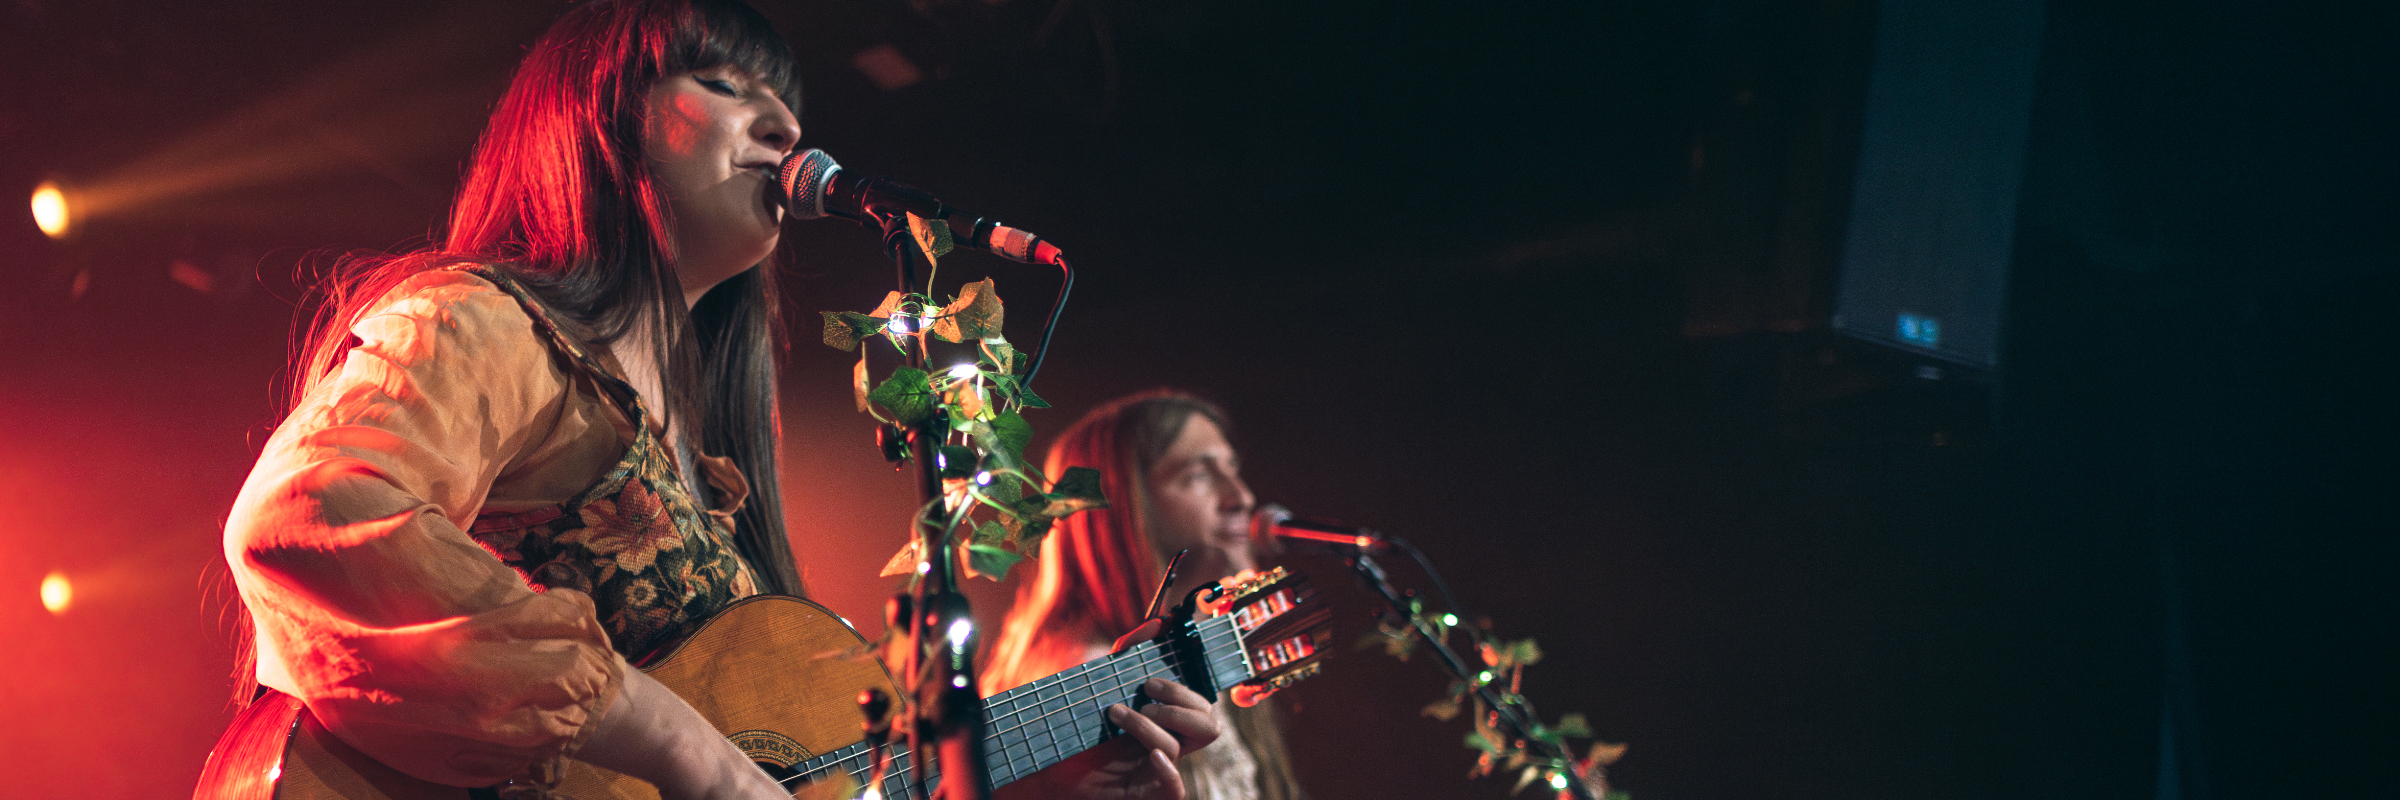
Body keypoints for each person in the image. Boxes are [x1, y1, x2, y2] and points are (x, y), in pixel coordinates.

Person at [216, 2, 1212, 798]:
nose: (783, 127)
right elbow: (310, 513)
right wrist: (690, 752)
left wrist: (1059, 773)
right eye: (722, 83)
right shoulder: (481, 323)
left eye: (785, 106)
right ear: (600, 117)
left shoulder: (713, 470)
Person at [984, 391, 1311, 800]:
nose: (1241, 497)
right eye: (1197, 475)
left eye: (1231, 468)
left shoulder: (1203, 652)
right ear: (1120, 508)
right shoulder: (1082, 679)